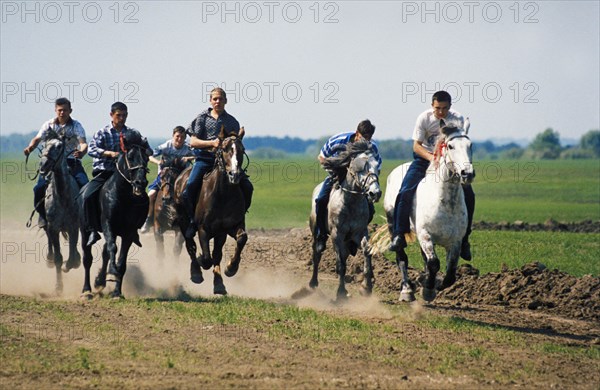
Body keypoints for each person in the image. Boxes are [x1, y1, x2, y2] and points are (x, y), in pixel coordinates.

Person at [389, 90, 475, 260]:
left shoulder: (457, 118)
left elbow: (460, 143)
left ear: (450, 106)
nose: (441, 112)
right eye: (437, 108)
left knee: (469, 195)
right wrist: (432, 158)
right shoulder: (424, 118)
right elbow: (416, 146)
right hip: (424, 159)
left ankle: (464, 239)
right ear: (432, 106)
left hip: (450, 163)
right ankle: (399, 234)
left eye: (444, 108)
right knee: (405, 191)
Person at [182, 87, 253, 239]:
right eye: (215, 99)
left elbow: (235, 144)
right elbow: (193, 142)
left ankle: (239, 217)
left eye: (220, 99)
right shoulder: (202, 118)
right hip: (205, 159)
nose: (218, 101)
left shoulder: (232, 121)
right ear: (210, 101)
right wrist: (211, 143)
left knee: (247, 186)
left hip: (227, 163)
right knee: (189, 187)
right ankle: (192, 221)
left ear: (225, 101)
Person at [80, 102, 152, 247]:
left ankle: (134, 230)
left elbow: (148, 151)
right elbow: (92, 149)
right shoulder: (103, 132)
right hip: (105, 172)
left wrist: (144, 150)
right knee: (87, 195)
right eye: (119, 115)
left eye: (124, 115)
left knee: (144, 198)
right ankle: (93, 229)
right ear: (111, 115)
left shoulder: (132, 134)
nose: (122, 118)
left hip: (126, 176)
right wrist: (108, 153)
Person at [314, 119, 382, 252]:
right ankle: (321, 235)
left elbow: (377, 165)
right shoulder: (339, 140)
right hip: (336, 175)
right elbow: (321, 157)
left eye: (369, 138)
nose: (366, 141)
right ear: (357, 133)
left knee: (370, 209)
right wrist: (334, 172)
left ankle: (354, 236)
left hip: (359, 181)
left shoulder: (372, 147)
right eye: (364, 137)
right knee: (321, 200)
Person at [24, 97, 89, 228]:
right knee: (38, 188)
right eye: (59, 110)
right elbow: (37, 138)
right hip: (52, 164)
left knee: (85, 187)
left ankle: (86, 220)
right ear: (55, 110)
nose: (62, 113)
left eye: (65, 110)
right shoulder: (49, 125)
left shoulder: (76, 126)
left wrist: (81, 152)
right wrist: (30, 147)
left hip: (71, 162)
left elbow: (83, 143)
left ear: (70, 110)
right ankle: (42, 215)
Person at [140, 126, 194, 233]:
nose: (179, 139)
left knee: (190, 195)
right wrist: (158, 162)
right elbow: (150, 155)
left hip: (180, 178)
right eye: (177, 136)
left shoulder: (187, 148)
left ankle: (192, 221)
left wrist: (188, 158)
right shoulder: (166, 146)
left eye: (182, 137)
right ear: (173, 136)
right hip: (164, 177)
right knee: (150, 194)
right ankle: (149, 219)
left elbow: (196, 155)